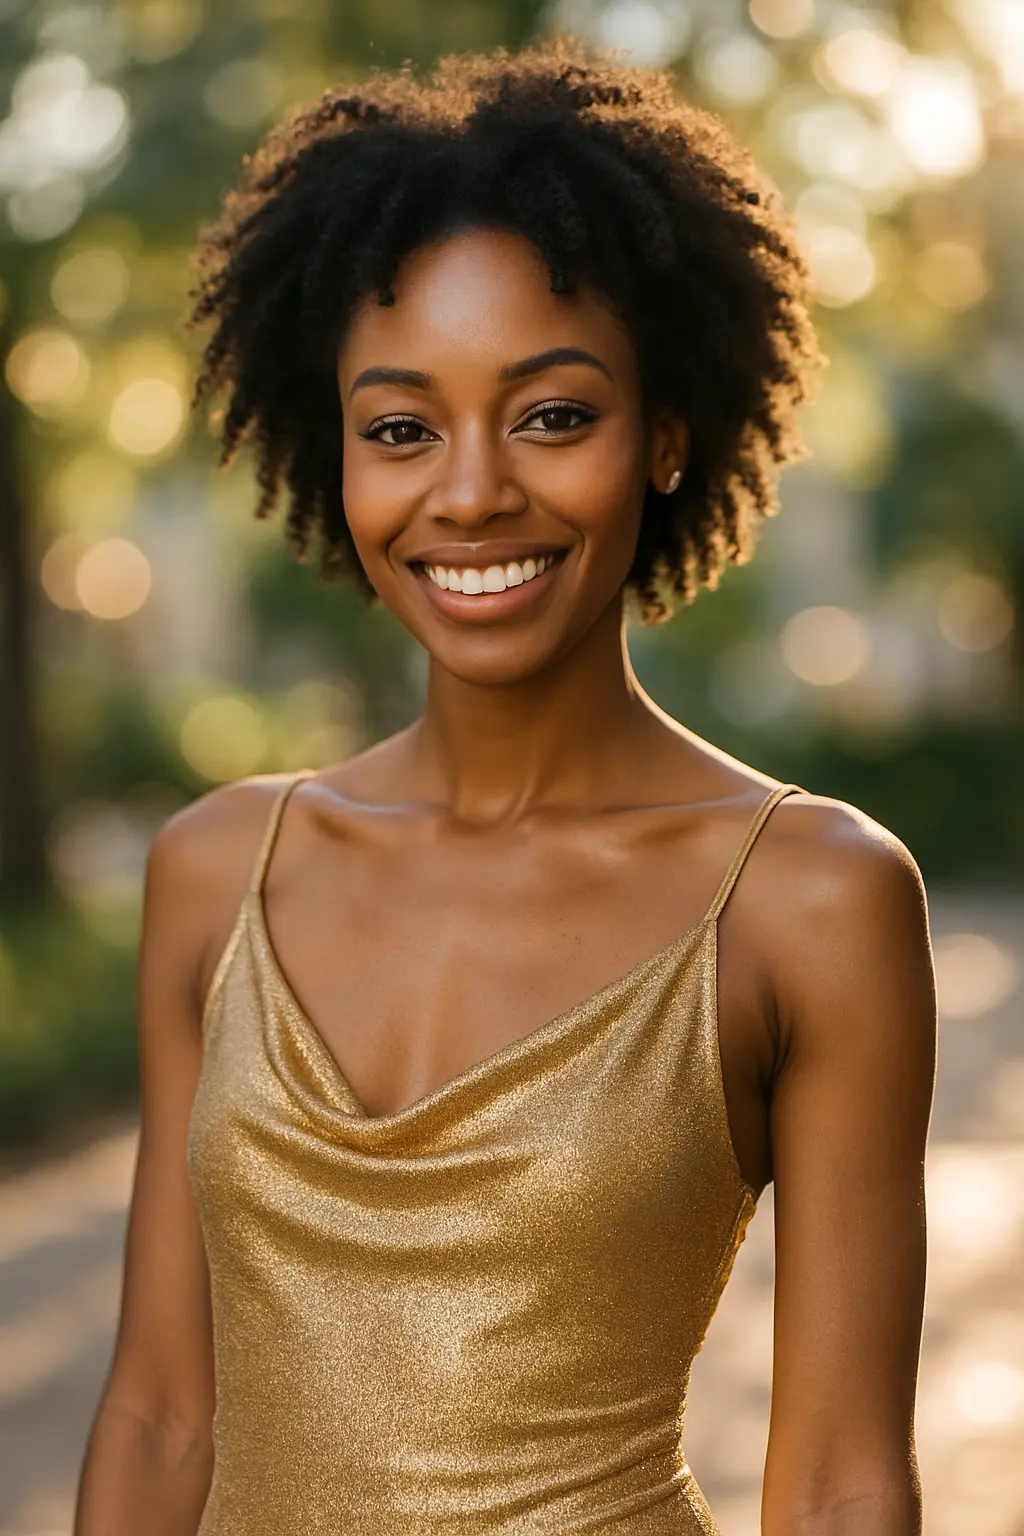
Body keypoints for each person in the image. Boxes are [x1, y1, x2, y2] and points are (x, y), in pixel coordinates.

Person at [75, 43, 936, 1536]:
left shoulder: (814, 900)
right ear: (331, 453)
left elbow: (844, 1484)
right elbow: (160, 1414)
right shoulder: (218, 873)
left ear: (667, 436)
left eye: (551, 414)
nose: (470, 491)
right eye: (400, 428)